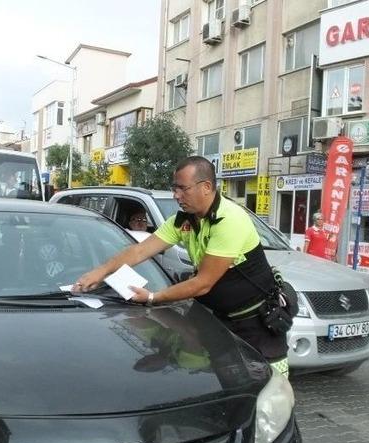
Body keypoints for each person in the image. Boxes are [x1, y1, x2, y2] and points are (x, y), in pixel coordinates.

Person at [74, 156, 289, 376]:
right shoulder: (185, 220)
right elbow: (140, 250)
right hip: (218, 321)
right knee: (228, 386)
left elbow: (203, 284)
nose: (176, 195)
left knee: (270, 393)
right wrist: (101, 272)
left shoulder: (229, 219)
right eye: (174, 188)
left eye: (182, 189)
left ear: (206, 187)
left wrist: (152, 298)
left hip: (257, 325)